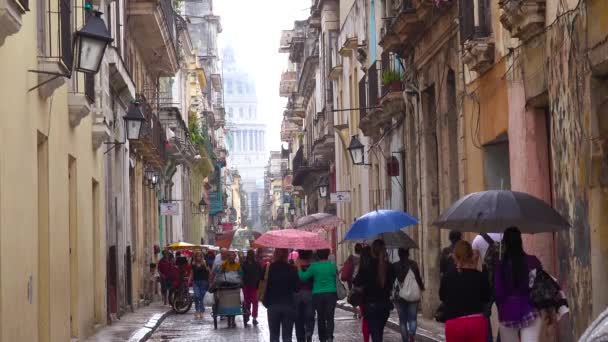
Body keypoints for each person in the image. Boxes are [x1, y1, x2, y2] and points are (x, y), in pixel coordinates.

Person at [495, 227, 543, 342]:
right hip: (530, 310)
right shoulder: (533, 261)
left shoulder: (501, 266)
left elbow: (499, 294)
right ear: (520, 241)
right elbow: (540, 286)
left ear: (505, 243)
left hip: (508, 313)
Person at [439, 240, 491, 341]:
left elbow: (442, 296)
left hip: (454, 323)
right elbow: (486, 297)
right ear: (471, 255)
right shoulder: (480, 276)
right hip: (477, 323)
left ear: (455, 256)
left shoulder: (447, 277)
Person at [353, 240, 396, 342]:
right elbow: (391, 283)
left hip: (370, 305)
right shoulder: (389, 266)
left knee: (376, 334)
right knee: (379, 333)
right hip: (385, 305)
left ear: (372, 251)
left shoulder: (367, 266)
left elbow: (356, 282)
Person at [298, 249, 338, 342]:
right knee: (330, 317)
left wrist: (299, 268)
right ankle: (330, 337)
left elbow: (303, 277)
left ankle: (322, 338)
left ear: (318, 256)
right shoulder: (332, 265)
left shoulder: (314, 266)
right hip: (331, 293)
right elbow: (335, 276)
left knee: (321, 317)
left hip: (318, 294)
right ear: (327, 255)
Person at [472, 233, 504, 342]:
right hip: (503, 282)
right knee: (505, 315)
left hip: (486, 281)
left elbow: (474, 263)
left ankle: (488, 339)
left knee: (484, 314)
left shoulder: (478, 239)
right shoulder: (505, 236)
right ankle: (501, 339)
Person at [264, 248, 299, 342]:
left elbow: (262, 284)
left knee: (274, 335)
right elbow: (297, 288)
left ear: (275, 254)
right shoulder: (292, 269)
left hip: (272, 305)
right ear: (287, 255)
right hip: (288, 305)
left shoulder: (269, 268)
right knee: (287, 336)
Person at [393, 248, 425, 342]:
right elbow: (418, 279)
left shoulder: (395, 266)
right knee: (413, 318)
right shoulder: (413, 264)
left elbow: (392, 281)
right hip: (412, 295)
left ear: (399, 254)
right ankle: (411, 332)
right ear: (408, 254)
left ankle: (405, 340)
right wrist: (422, 288)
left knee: (402, 321)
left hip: (399, 296)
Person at [294, 250, 316, 342]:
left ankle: (300, 338)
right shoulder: (313, 266)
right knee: (310, 316)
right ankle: (309, 332)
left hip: (297, 294)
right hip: (310, 293)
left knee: (298, 318)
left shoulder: (295, 266)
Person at [241, 249, 263, 325]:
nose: (250, 256)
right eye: (249, 254)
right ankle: (247, 315)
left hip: (254, 286)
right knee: (247, 302)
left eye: (251, 254)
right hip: (246, 285)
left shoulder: (257, 264)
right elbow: (241, 274)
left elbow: (261, 274)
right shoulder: (244, 264)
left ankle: (254, 317)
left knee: (255, 302)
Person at [189, 252, 210, 319]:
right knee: (196, 296)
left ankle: (201, 312)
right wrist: (189, 280)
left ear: (201, 257)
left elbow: (209, 271)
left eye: (200, 256)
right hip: (196, 282)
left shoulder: (205, 263)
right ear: (195, 257)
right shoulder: (193, 264)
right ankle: (197, 310)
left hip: (204, 281)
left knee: (202, 297)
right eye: (197, 256)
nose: (198, 257)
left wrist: (210, 280)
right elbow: (192, 273)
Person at [358, 245, 372, 342]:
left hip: (364, 298)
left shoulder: (362, 269)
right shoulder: (377, 266)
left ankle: (366, 340)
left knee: (365, 320)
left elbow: (356, 282)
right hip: (376, 298)